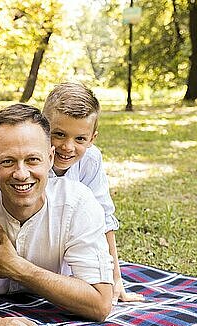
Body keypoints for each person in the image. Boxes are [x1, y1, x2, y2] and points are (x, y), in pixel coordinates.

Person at [0, 103, 114, 326]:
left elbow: (100, 304)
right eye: (8, 161)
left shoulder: (78, 203)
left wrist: (18, 269)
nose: (21, 173)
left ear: (50, 158)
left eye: (32, 160)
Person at [42, 82, 144, 303]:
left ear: (92, 138)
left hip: (67, 254)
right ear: (43, 129)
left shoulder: (90, 159)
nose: (68, 147)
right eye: (58, 134)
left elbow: (103, 217)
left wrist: (115, 279)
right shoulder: (31, 159)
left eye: (80, 139)